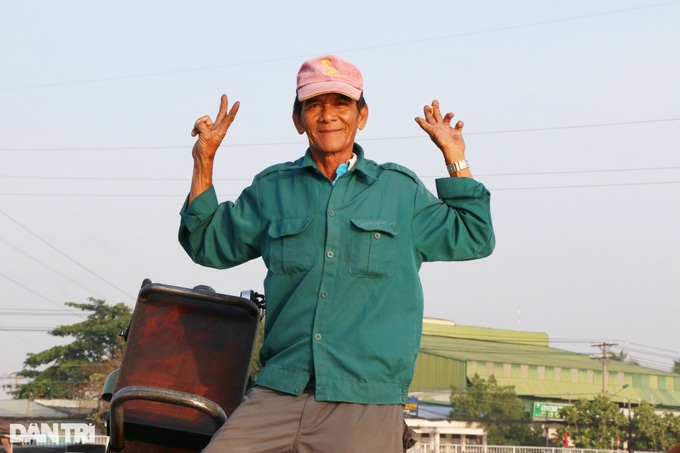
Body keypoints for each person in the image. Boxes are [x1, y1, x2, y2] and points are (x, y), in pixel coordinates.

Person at [179, 55, 495, 453]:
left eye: (341, 104)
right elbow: (206, 242)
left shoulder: (399, 191)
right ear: (298, 120)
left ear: (362, 116)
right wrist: (203, 161)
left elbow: (474, 236)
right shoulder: (272, 189)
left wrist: (455, 157)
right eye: (314, 105)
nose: (328, 116)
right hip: (279, 390)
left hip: (365, 398)